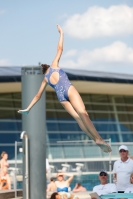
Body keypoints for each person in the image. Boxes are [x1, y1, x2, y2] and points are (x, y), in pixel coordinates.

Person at [17, 24, 111, 153]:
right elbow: (60, 49)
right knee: (83, 114)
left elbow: (38, 96)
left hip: (61, 98)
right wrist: (62, 34)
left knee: (78, 119)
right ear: (48, 66)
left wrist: (28, 108)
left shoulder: (46, 79)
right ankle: (99, 138)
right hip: (68, 89)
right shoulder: (54, 65)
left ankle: (94, 139)